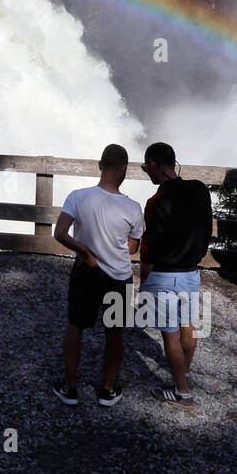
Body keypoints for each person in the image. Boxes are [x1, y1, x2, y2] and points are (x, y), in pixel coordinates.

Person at [52, 144, 144, 407]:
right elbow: (132, 247)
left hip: (86, 273)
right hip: (118, 277)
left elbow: (59, 234)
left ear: (101, 164)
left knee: (76, 326)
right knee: (114, 333)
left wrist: (85, 251)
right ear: (124, 169)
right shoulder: (132, 208)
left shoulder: (78, 197)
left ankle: (70, 389)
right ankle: (107, 390)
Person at [138, 142, 214, 408]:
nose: (147, 171)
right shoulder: (200, 190)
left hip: (166, 275)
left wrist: (143, 280)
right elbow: (206, 229)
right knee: (188, 326)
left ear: (155, 163)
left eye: (146, 166)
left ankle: (182, 392)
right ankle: (185, 372)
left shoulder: (156, 201)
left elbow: (149, 246)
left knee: (169, 334)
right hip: (191, 272)